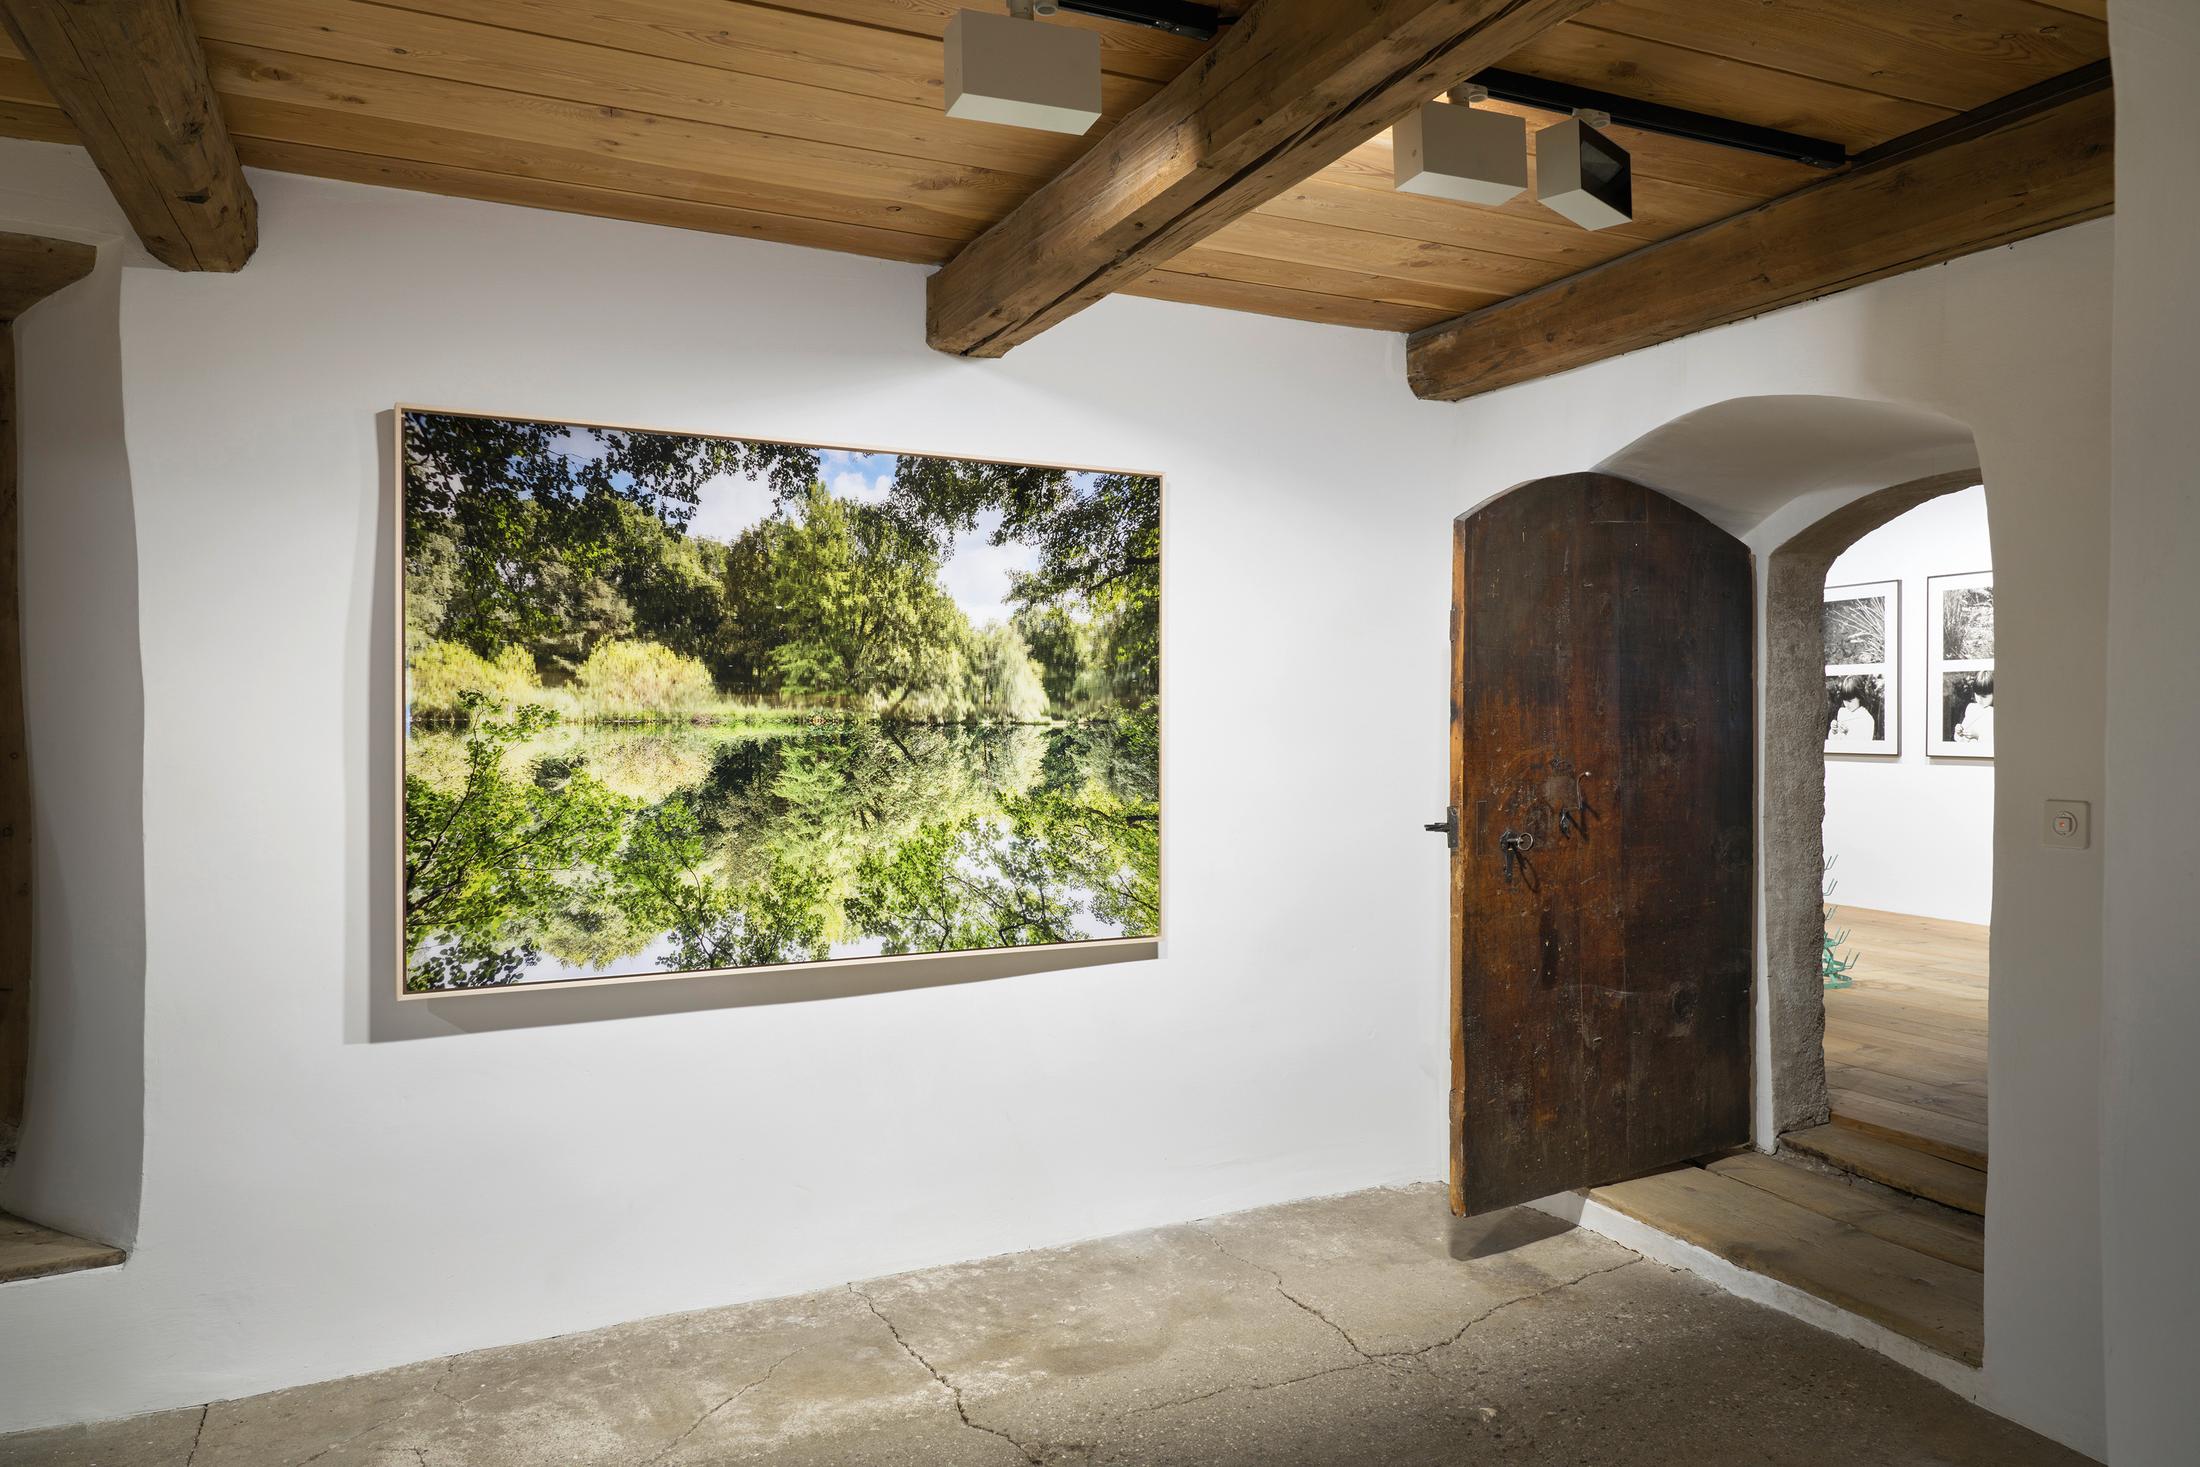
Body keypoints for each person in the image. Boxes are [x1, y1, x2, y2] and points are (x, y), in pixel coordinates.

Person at [1830, 676, 1877, 744]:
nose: (1846, 704)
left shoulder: (1866, 718)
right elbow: (1834, 741)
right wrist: (1834, 731)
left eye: (1850, 701)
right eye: (1844, 700)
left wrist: (1847, 733)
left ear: (1859, 697)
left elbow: (1864, 744)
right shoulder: (1842, 712)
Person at [1956, 670, 1995, 745]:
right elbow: (1960, 738)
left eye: (1984, 696)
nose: (1980, 700)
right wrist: (1959, 732)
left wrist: (1978, 736)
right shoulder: (1971, 708)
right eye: (1977, 694)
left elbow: (1997, 743)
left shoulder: (1994, 713)